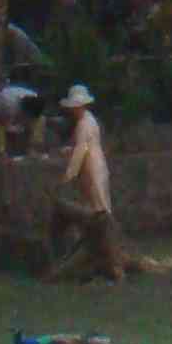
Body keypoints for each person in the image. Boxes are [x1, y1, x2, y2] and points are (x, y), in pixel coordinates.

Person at [46, 82, 125, 281]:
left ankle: (106, 252)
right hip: (92, 168)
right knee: (94, 206)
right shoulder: (88, 121)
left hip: (92, 169)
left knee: (99, 210)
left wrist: (68, 175)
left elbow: (81, 151)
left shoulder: (84, 123)